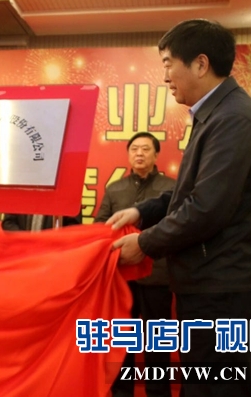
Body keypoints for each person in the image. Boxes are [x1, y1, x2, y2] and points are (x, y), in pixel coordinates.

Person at [107, 19, 251, 397]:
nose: (165, 75)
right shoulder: (215, 114)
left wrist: (144, 243)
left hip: (224, 286)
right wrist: (142, 212)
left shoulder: (233, 118)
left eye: (168, 63)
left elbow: (207, 207)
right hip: (211, 280)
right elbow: (190, 193)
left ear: (200, 64)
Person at [95, 131, 175, 397]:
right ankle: (121, 392)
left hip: (158, 276)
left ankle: (158, 393)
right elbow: (100, 225)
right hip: (122, 278)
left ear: (156, 154)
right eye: (134, 149)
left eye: (145, 149)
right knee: (121, 342)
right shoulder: (115, 188)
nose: (139, 153)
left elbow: (178, 227)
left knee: (158, 343)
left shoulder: (171, 188)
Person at [1, 213, 81, 231]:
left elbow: (74, 227)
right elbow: (8, 223)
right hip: (23, 253)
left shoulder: (68, 192)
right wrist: (26, 240)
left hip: (54, 255)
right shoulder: (21, 188)